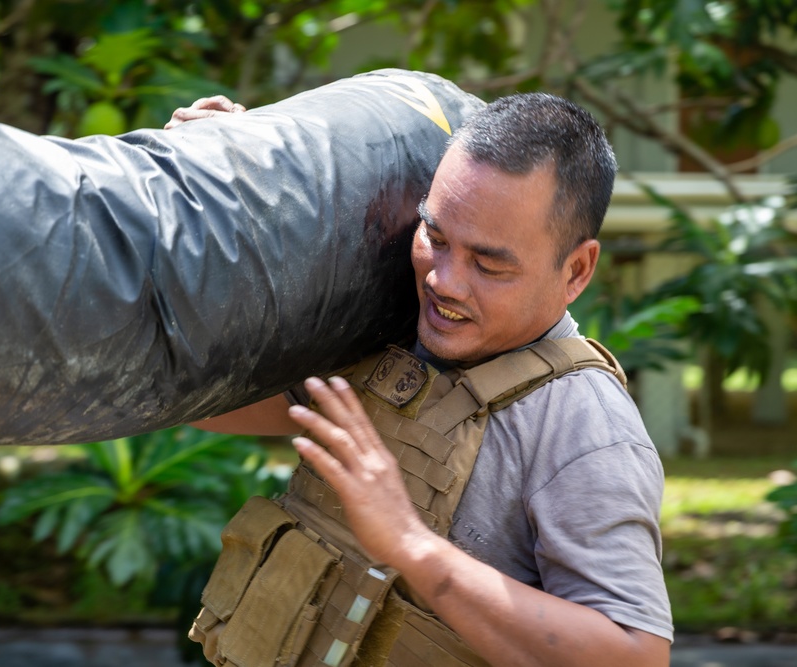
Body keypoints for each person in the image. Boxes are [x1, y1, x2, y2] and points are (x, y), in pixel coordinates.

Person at [169, 92, 673, 666]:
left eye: (489, 264)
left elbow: (637, 655)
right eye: (435, 237)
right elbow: (207, 406)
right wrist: (219, 203)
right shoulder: (393, 331)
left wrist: (411, 546)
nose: (444, 282)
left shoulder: (584, 430)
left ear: (577, 270)